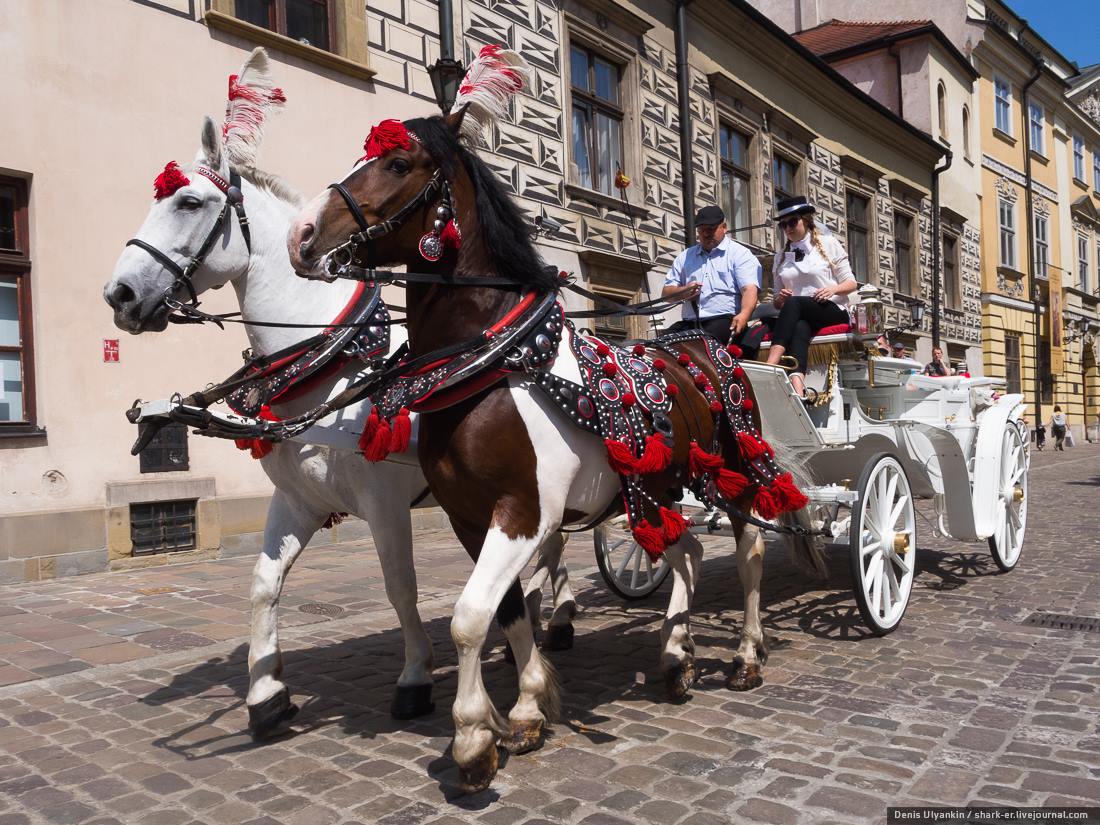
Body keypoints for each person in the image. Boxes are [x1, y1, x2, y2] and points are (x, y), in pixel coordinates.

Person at [766, 196, 859, 397]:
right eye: (783, 225)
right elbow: (776, 301)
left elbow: (851, 283)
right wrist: (780, 298)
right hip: (799, 313)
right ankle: (798, 388)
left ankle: (770, 364)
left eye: (792, 222)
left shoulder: (828, 244)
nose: (788, 228)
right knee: (800, 327)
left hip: (832, 308)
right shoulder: (780, 257)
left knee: (794, 305)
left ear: (806, 221)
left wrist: (833, 290)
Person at [661, 205, 761, 351]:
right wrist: (684, 291)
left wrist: (744, 314)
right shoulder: (685, 257)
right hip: (690, 322)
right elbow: (666, 295)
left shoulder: (740, 254)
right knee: (659, 346)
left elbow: (749, 290)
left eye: (711, 229)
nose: (706, 234)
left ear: (724, 227)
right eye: (702, 230)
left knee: (699, 346)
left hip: (724, 320)